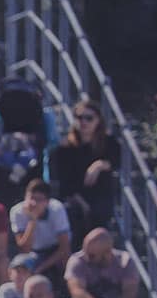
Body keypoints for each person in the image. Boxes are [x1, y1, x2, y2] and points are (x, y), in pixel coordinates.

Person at [49, 97, 121, 237]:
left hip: (100, 195)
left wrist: (99, 165)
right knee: (73, 213)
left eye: (89, 118)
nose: (83, 122)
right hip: (75, 196)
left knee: (100, 213)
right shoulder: (65, 148)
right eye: (79, 117)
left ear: (98, 120)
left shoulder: (108, 142)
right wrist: (80, 200)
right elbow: (64, 181)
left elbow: (117, 161)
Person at [64, 227, 145, 298]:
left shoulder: (125, 261)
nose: (86, 258)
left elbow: (130, 293)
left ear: (107, 253)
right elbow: (76, 290)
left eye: (92, 255)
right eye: (85, 251)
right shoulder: (77, 260)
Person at [10, 178, 73, 287]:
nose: (34, 203)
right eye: (31, 198)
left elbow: (64, 248)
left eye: (39, 199)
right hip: (34, 253)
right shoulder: (17, 212)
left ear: (47, 202)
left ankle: (65, 289)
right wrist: (32, 220)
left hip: (56, 250)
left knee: (67, 260)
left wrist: (41, 268)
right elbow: (24, 248)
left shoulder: (57, 209)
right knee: (20, 266)